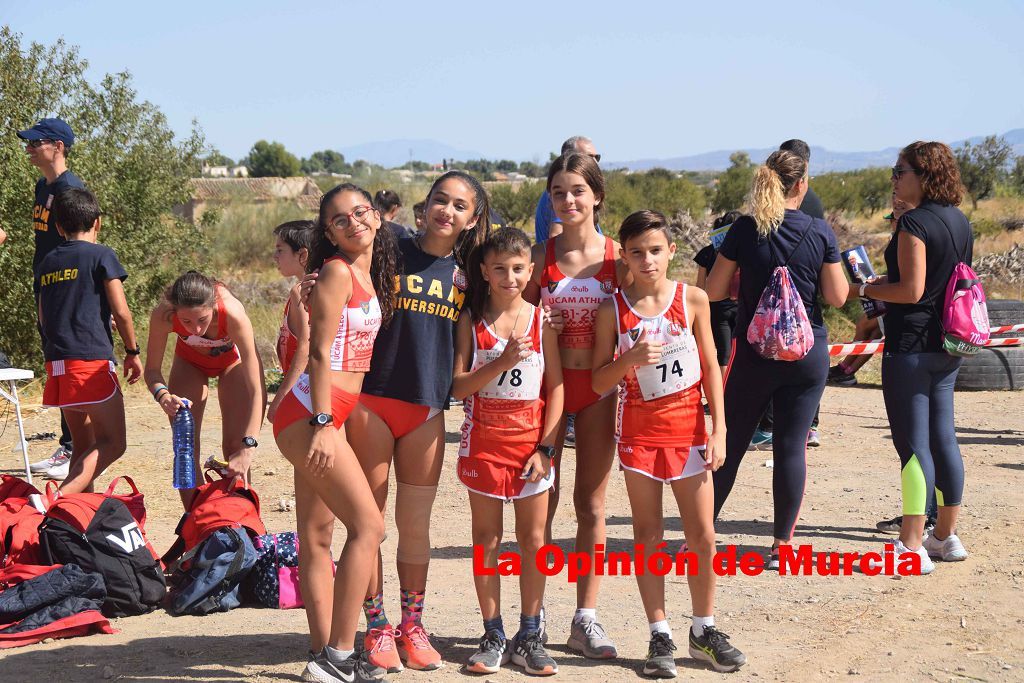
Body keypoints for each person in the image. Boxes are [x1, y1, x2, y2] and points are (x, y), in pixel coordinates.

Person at [344, 171, 491, 672]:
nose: (447, 210)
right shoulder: (389, 246)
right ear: (423, 206)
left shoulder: (471, 273)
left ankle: (412, 623)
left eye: (459, 205)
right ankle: (377, 625)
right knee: (371, 523)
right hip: (372, 399)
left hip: (427, 407)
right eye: (439, 200)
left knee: (414, 527)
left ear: (472, 219)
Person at [592, 210, 746, 676]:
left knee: (702, 535)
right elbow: (599, 381)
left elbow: (712, 367)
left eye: (655, 250)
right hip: (640, 436)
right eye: (636, 253)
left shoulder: (693, 299)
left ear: (671, 251)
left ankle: (704, 630)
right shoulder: (611, 310)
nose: (647, 260)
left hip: (690, 435)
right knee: (648, 536)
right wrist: (629, 359)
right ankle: (659, 634)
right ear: (625, 256)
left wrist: (719, 429)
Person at [273, 184, 398, 683]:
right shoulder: (337, 272)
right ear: (328, 233)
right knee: (369, 527)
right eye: (340, 220)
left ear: (377, 216)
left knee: (317, 536)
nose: (354, 223)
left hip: (324, 413)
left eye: (361, 212)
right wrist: (325, 424)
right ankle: (340, 656)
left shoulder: (363, 272)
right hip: (314, 414)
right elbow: (320, 352)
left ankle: (326, 650)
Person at [706, 150, 847, 569]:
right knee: (791, 447)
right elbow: (838, 297)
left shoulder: (745, 229)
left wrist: (742, 288)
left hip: (754, 354)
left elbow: (713, 290)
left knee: (729, 445)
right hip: (807, 354)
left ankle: (701, 535)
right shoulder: (821, 231)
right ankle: (782, 546)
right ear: (802, 185)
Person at [525, 152, 629, 660]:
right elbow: (511, 317)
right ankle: (534, 615)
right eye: (559, 193)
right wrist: (537, 327)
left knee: (591, 506)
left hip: (598, 390)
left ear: (597, 197)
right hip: (546, 391)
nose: (568, 200)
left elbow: (644, 314)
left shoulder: (617, 256)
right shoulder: (538, 258)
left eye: (577, 191)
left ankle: (585, 618)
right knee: (540, 506)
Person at [854, 141, 973, 572]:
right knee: (944, 438)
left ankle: (911, 544)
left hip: (912, 347)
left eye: (899, 170)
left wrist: (865, 288)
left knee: (913, 446)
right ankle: (945, 536)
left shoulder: (915, 223)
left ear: (923, 175)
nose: (893, 177)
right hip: (947, 344)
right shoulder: (959, 220)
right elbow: (939, 278)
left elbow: (911, 291)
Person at [452, 228, 564, 676]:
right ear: (484, 271)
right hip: (483, 444)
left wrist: (547, 449)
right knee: (487, 541)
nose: (509, 276)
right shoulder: (470, 320)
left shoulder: (542, 321)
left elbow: (556, 388)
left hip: (529, 448)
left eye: (518, 268)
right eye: (499, 268)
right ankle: (493, 632)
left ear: (530, 270)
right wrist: (500, 361)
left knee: (534, 541)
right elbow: (458, 387)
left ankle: (530, 633)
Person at [35, 188, 142, 494]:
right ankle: (56, 501)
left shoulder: (48, 261)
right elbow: (121, 312)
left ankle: (78, 520)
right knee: (114, 443)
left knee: (84, 450)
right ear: (98, 222)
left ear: (58, 227)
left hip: (58, 365)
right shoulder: (102, 255)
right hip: (90, 363)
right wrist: (133, 351)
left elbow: (44, 316)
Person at [144, 271, 266, 508]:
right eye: (186, 322)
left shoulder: (232, 313)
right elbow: (152, 372)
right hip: (190, 363)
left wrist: (248, 446)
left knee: (234, 446)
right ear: (175, 310)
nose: (196, 330)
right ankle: (198, 523)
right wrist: (163, 395)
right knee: (185, 449)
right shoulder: (164, 314)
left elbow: (256, 390)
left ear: (213, 306)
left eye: (202, 320)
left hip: (233, 363)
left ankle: (243, 521)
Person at [19, 118, 87, 480]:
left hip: (68, 287)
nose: (28, 148)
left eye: (35, 142)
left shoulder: (70, 188)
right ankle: (69, 444)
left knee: (69, 363)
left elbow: (89, 233)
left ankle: (76, 447)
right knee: (56, 363)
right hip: (45, 284)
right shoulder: (41, 186)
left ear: (58, 146)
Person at [753, 139, 827, 450]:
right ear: (804, 173)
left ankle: (767, 426)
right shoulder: (816, 208)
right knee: (804, 369)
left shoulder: (756, 217)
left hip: (765, 309)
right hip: (807, 309)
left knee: (771, 368)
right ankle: (808, 425)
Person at [268, 220, 315, 424]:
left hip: (307, 391)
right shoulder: (309, 286)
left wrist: (281, 397)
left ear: (302, 255)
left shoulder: (301, 291)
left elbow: (306, 346)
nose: (274, 256)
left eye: (280, 250)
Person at [693, 211, 742, 378]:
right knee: (744, 351)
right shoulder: (746, 250)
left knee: (723, 353)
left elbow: (700, 287)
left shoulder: (707, 253)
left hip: (717, 309)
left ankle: (723, 397)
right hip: (743, 307)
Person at [533, 136, 602, 243]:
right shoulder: (561, 198)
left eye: (596, 157)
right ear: (568, 158)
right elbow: (557, 233)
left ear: (597, 196)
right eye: (588, 157)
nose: (594, 162)